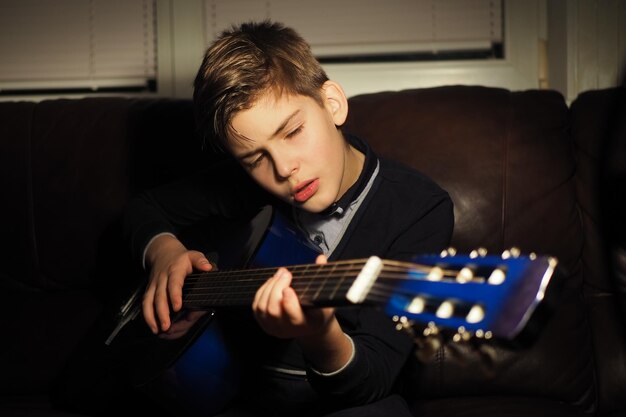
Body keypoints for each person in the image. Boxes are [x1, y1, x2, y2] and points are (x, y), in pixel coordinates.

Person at [123, 20, 454, 417]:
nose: (282, 170)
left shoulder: (419, 208)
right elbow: (144, 208)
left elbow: (377, 376)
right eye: (254, 159)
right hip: (234, 387)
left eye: (293, 131)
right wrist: (163, 251)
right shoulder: (244, 186)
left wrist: (320, 334)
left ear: (332, 102)